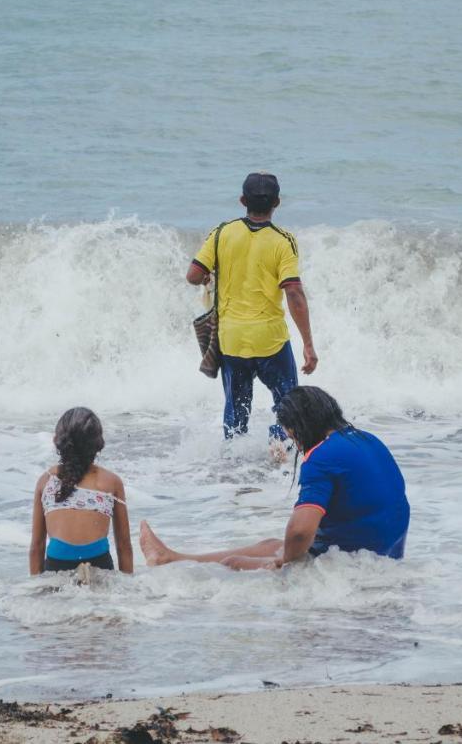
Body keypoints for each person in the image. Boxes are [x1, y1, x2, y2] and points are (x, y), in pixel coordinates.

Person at [139, 386, 409, 570]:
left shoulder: (322, 457)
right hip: (388, 554)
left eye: (291, 433)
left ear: (302, 426)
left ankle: (171, 560)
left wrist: (285, 561)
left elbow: (301, 530)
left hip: (353, 564)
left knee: (235, 563)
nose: (293, 441)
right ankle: (173, 558)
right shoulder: (367, 439)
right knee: (269, 545)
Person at [187, 172, 318, 443]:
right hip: (270, 339)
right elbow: (293, 292)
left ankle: (235, 470)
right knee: (289, 408)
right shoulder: (283, 240)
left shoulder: (222, 233)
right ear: (277, 203)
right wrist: (307, 343)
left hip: (232, 341)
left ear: (242, 200)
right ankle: (278, 451)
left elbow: (193, 275)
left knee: (235, 416)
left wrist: (209, 276)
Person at [29, 407, 133, 575]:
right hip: (99, 563)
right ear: (99, 444)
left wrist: (36, 589)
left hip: (57, 564)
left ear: (57, 441)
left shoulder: (45, 481)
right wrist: (129, 586)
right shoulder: (112, 482)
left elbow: (37, 547)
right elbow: (124, 545)